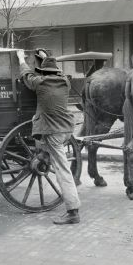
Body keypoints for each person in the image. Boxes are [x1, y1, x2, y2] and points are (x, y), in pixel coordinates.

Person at [16, 48, 81, 225]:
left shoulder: (40, 82)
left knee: (62, 171)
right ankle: (44, 155)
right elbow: (57, 71)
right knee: (43, 139)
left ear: (43, 72)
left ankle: (73, 211)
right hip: (66, 129)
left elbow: (26, 74)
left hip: (52, 132)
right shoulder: (65, 82)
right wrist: (47, 59)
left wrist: (21, 58)